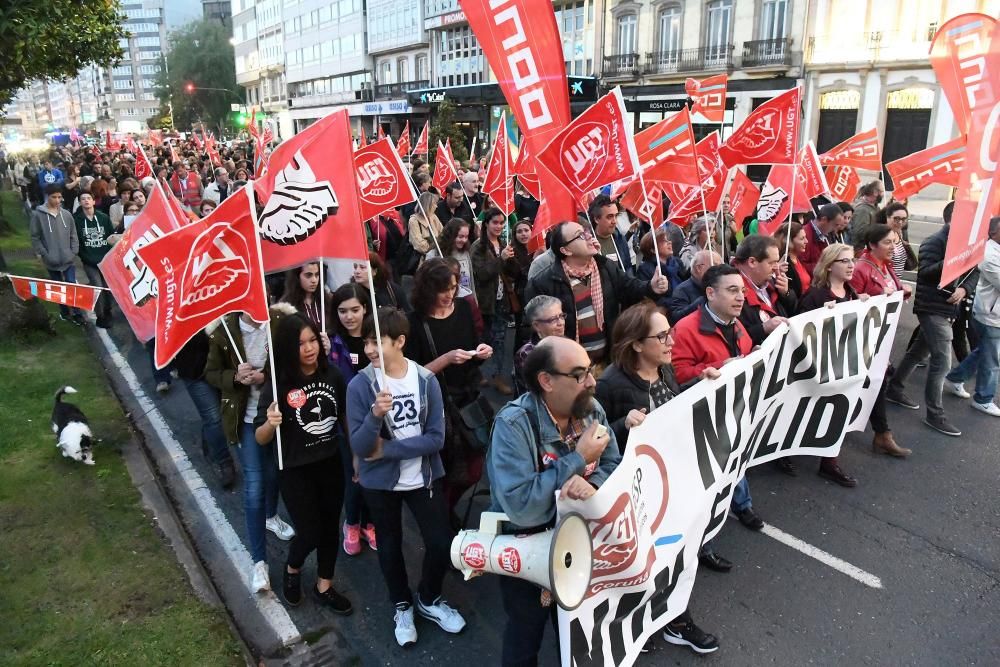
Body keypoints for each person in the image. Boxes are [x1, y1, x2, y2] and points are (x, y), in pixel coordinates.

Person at [594, 303, 720, 654]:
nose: (671, 341)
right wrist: (623, 425)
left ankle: (674, 620)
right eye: (662, 336)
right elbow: (594, 440)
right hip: (636, 493)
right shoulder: (610, 385)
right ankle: (648, 620)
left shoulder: (664, 370)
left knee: (674, 555)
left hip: (670, 482)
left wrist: (700, 382)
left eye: (670, 333)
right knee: (643, 561)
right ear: (636, 344)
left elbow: (672, 408)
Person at [487, 336, 622, 666]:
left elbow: (613, 462)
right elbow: (521, 506)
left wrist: (594, 485)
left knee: (575, 627)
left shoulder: (589, 407)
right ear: (546, 381)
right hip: (527, 547)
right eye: (579, 375)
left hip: (579, 540)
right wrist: (576, 459)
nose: (591, 382)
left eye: (590, 370)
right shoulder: (513, 425)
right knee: (526, 631)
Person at [347, 307, 465, 647]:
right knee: (389, 544)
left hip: (423, 478)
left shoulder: (425, 381)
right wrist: (373, 417)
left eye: (376, 341)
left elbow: (436, 439)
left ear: (400, 341)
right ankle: (401, 604)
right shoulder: (360, 386)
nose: (369, 349)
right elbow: (359, 444)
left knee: (440, 542)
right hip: (379, 484)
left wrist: (388, 450)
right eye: (366, 342)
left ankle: (428, 598)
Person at [255, 314, 352, 614]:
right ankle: (293, 567)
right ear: (287, 347)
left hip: (331, 462)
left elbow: (346, 421)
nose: (309, 348)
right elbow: (260, 437)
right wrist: (271, 424)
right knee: (309, 532)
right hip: (294, 469)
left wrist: (358, 458)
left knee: (330, 529)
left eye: (312, 340)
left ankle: (324, 584)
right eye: (300, 343)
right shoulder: (277, 385)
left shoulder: (333, 375)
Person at [204, 307, 297, 593]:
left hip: (277, 416)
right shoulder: (223, 331)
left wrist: (266, 375)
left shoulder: (280, 323)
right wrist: (234, 376)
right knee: (254, 484)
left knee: (274, 475)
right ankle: (259, 563)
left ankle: (271, 516)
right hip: (246, 420)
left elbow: (293, 364)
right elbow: (211, 374)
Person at [671, 264, 764, 531]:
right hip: (703, 416)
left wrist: (753, 355)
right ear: (710, 293)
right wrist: (719, 368)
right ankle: (704, 527)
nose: (741, 297)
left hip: (732, 408)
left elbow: (743, 354)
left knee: (736, 456)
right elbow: (677, 374)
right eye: (732, 290)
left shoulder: (735, 324)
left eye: (743, 291)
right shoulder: (686, 329)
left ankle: (742, 504)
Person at [405, 259, 492, 522]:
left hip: (467, 400)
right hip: (437, 407)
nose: (449, 295)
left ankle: (445, 510)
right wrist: (446, 359)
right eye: (442, 289)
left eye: (453, 287)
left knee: (475, 468)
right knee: (446, 470)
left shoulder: (464, 308)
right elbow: (411, 375)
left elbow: (473, 346)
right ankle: (440, 518)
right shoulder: (414, 323)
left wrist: (481, 353)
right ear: (427, 289)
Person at [887, 202, 979, 436]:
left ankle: (894, 388)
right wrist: (953, 260)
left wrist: (965, 290)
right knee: (942, 360)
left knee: (918, 352)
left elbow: (973, 271)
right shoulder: (934, 241)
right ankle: (935, 414)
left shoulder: (966, 244)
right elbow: (926, 271)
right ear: (952, 219)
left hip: (949, 309)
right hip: (931, 307)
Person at [525, 220, 669, 366]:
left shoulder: (605, 267)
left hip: (608, 359)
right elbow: (536, 328)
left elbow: (630, 289)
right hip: (570, 365)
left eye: (586, 232)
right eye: (580, 235)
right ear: (566, 250)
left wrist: (651, 287)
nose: (588, 236)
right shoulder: (543, 282)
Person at [797, 244, 868, 486]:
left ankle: (829, 462)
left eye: (852, 260)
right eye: (844, 261)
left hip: (844, 366)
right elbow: (799, 331)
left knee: (839, 411)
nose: (851, 266)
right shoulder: (815, 296)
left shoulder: (853, 293)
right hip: (818, 368)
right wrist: (821, 317)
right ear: (829, 267)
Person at [847, 225, 913, 458]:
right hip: (863, 340)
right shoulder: (861, 269)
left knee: (877, 383)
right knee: (874, 383)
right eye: (887, 243)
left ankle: (880, 433)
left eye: (894, 243)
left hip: (880, 337)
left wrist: (901, 292)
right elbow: (849, 303)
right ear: (872, 245)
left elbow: (891, 291)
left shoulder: (885, 267)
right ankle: (882, 434)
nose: (893, 248)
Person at [327, 282, 378, 555]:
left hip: (379, 418)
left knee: (375, 473)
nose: (349, 316)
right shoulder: (333, 343)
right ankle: (352, 524)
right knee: (354, 477)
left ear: (365, 309)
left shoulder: (377, 338)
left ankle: (371, 523)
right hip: (346, 422)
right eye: (343, 310)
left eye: (355, 310)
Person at [945, 216, 1000, 417]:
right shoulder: (988, 253)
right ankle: (983, 399)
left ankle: (955, 377)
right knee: (992, 359)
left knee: (984, 352)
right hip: (990, 314)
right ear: (993, 232)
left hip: (992, 312)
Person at [471, 207, 516, 395]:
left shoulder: (504, 243)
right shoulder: (478, 247)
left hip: (501, 300)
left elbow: (510, 272)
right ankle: (474, 373)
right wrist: (501, 259)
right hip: (485, 302)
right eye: (495, 222)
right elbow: (482, 274)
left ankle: (497, 376)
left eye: (501, 223)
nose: (498, 226)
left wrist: (510, 260)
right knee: (481, 340)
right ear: (486, 224)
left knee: (499, 340)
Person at [30, 184, 83, 324]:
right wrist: (45, 254)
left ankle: (77, 313)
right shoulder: (38, 215)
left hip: (68, 259)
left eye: (60, 197)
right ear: (47, 197)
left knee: (71, 284)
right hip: (51, 260)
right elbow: (35, 237)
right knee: (58, 287)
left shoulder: (67, 214)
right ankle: (64, 312)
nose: (57, 200)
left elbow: (73, 234)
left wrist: (73, 252)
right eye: (54, 197)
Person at [732, 234, 797, 346]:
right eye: (772, 262)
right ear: (752, 262)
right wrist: (763, 329)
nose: (777, 267)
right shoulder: (731, 292)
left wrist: (786, 294)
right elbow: (733, 338)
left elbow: (794, 312)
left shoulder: (773, 283)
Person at [73, 192, 115, 328]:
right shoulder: (77, 220)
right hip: (89, 261)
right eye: (83, 199)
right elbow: (76, 241)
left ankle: (108, 312)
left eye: (88, 198)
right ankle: (100, 316)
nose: (86, 201)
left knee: (107, 287)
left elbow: (111, 237)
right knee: (97, 286)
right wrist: (84, 257)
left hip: (105, 259)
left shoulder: (103, 218)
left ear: (93, 201)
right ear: (80, 203)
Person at [513, 295, 566, 394]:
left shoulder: (566, 343)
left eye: (561, 316)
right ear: (536, 326)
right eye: (553, 319)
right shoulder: (527, 355)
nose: (561, 323)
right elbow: (540, 394)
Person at [664, 249, 721, 325]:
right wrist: (702, 301)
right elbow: (676, 319)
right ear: (699, 268)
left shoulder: (719, 287)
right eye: (715, 266)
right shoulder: (682, 290)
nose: (720, 271)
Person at [635, 227, 683, 311]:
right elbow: (649, 300)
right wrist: (676, 303)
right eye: (664, 241)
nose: (670, 242)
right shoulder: (645, 269)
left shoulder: (677, 262)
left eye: (668, 240)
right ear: (653, 249)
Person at [431, 217, 477, 297]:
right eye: (460, 236)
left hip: (464, 301)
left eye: (466, 237)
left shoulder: (465, 253)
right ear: (451, 235)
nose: (464, 240)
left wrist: (473, 302)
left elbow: (471, 282)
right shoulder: (434, 255)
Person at [590, 194, 634, 273]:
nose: (614, 221)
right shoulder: (588, 243)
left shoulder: (620, 239)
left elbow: (627, 267)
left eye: (616, 216)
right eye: (609, 217)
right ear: (596, 219)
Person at [281, 262, 329, 330]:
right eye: (308, 275)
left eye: (317, 275)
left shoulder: (326, 301)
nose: (314, 280)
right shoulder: (286, 305)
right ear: (297, 277)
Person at [799, 203, 843, 276]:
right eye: (835, 225)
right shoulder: (804, 235)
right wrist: (825, 266)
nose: (835, 229)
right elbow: (800, 266)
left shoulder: (828, 234)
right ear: (824, 219)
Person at [876, 202, 916, 276]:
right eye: (896, 219)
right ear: (887, 217)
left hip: (896, 283)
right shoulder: (880, 236)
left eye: (904, 219)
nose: (900, 222)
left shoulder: (899, 234)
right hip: (884, 283)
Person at [775, 221, 810, 299]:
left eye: (806, 237)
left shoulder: (798, 259)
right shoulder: (784, 265)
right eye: (802, 239)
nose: (806, 241)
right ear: (790, 241)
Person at [408, 191, 444, 264]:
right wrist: (436, 243)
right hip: (422, 261)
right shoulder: (414, 221)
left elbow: (443, 233)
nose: (436, 206)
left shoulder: (433, 217)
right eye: (434, 204)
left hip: (437, 258)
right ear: (427, 205)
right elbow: (421, 246)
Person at [850, 180, 884, 245]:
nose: (883, 194)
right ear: (875, 192)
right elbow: (861, 233)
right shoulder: (862, 210)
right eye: (882, 191)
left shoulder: (875, 206)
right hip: (861, 249)